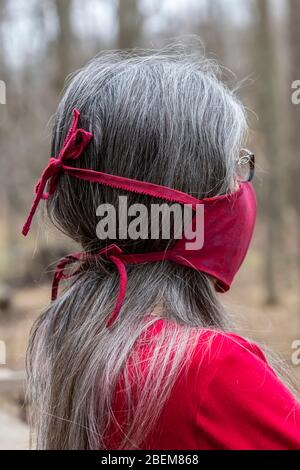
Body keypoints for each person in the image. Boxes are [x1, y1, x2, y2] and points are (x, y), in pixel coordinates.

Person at [24, 49, 300, 450]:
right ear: (179, 199)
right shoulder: (211, 369)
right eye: (233, 168)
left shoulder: (70, 337)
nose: (242, 188)